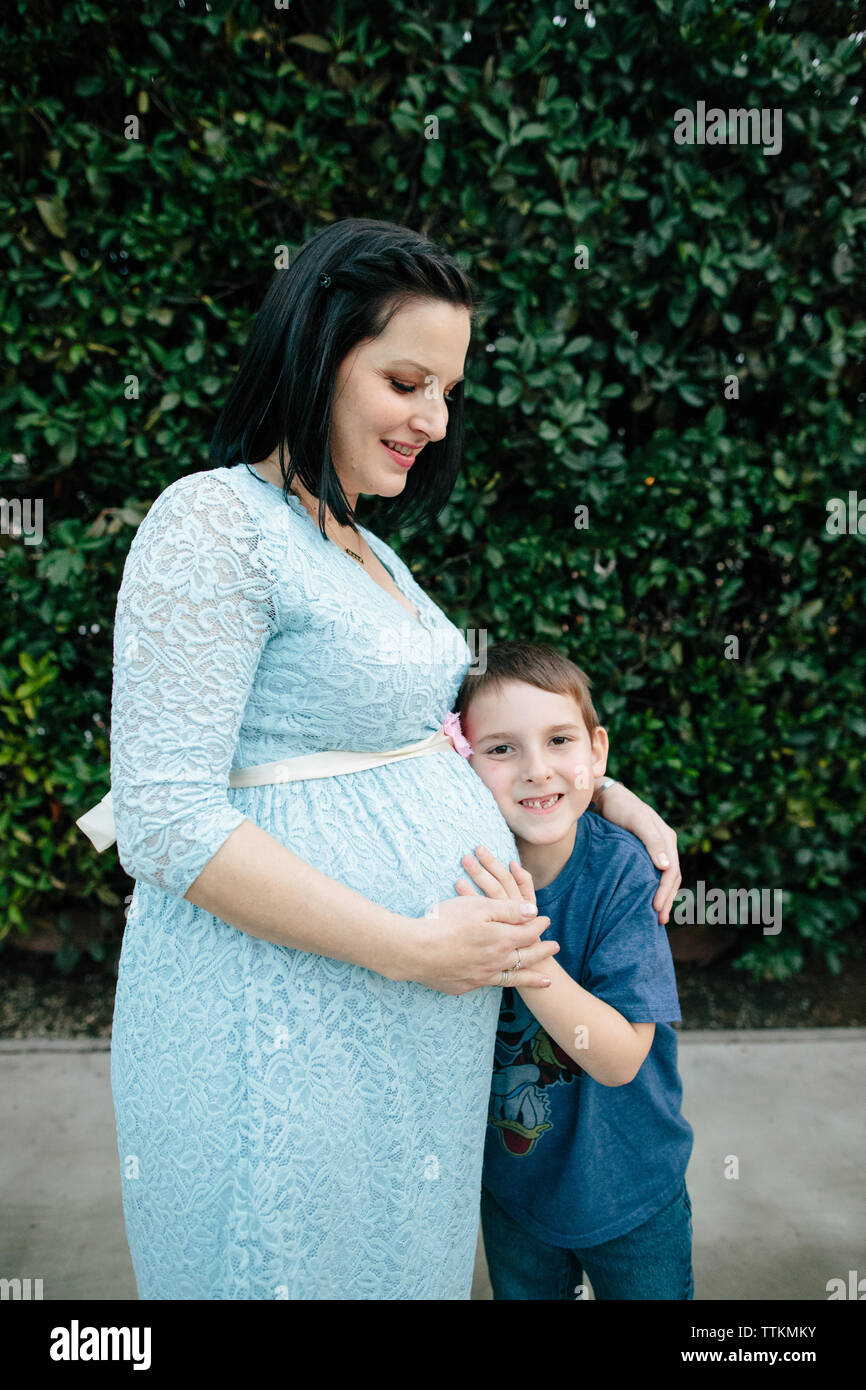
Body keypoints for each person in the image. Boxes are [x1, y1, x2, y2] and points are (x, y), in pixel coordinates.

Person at [104, 218, 681, 1299]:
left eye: (447, 389)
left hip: (398, 1058)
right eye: (406, 379)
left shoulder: (366, 546)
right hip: (275, 1033)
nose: (432, 417)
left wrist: (605, 794)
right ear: (320, 351)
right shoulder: (213, 522)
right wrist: (410, 949)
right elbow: (166, 817)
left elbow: (441, 736)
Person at [452, 641, 694, 1299]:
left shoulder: (620, 873)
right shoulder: (457, 873)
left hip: (632, 1193)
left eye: (559, 740)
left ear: (597, 752)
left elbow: (618, 1059)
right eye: (501, 749)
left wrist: (524, 954)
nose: (536, 770)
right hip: (515, 1193)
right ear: (459, 760)